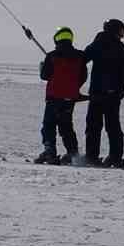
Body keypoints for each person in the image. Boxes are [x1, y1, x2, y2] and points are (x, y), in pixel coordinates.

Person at [82, 19, 124, 168]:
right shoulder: (120, 47)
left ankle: (92, 156)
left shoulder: (98, 43)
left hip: (98, 92)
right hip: (113, 93)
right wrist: (121, 88)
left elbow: (83, 58)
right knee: (113, 126)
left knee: (94, 125)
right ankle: (115, 157)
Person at [36, 27, 87, 164]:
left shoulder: (52, 56)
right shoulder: (80, 56)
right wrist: (72, 87)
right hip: (70, 97)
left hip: (54, 97)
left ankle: (50, 151)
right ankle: (72, 153)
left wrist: (42, 67)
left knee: (49, 124)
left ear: (56, 38)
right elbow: (83, 77)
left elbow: (45, 75)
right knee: (66, 125)